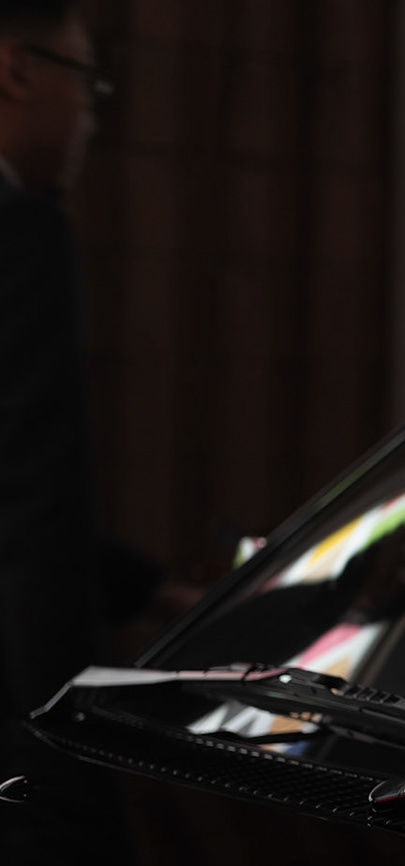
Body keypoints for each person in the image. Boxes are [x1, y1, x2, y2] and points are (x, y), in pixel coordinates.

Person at [0, 0, 101, 772]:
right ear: (16, 69)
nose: (88, 120)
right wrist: (57, 758)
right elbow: (30, 509)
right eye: (86, 84)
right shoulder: (19, 232)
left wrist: (144, 586)